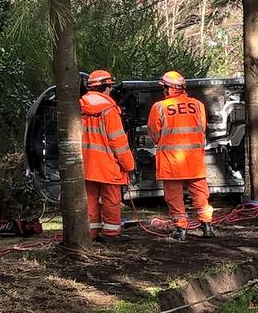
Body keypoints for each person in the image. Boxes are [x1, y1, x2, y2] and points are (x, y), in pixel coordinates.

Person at [148, 70, 214, 241]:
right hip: (194, 161)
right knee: (200, 194)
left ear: (169, 89)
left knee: (174, 195)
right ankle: (207, 226)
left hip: (171, 161)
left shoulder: (159, 107)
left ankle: (180, 229)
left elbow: (154, 134)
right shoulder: (198, 105)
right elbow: (202, 129)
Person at [80, 70, 135, 242]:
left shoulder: (78, 107)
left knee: (90, 201)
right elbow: (118, 141)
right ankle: (111, 234)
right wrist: (129, 165)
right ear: (104, 88)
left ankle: (90, 234)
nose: (111, 90)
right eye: (109, 87)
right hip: (107, 165)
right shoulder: (109, 110)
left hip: (86, 165)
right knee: (111, 200)